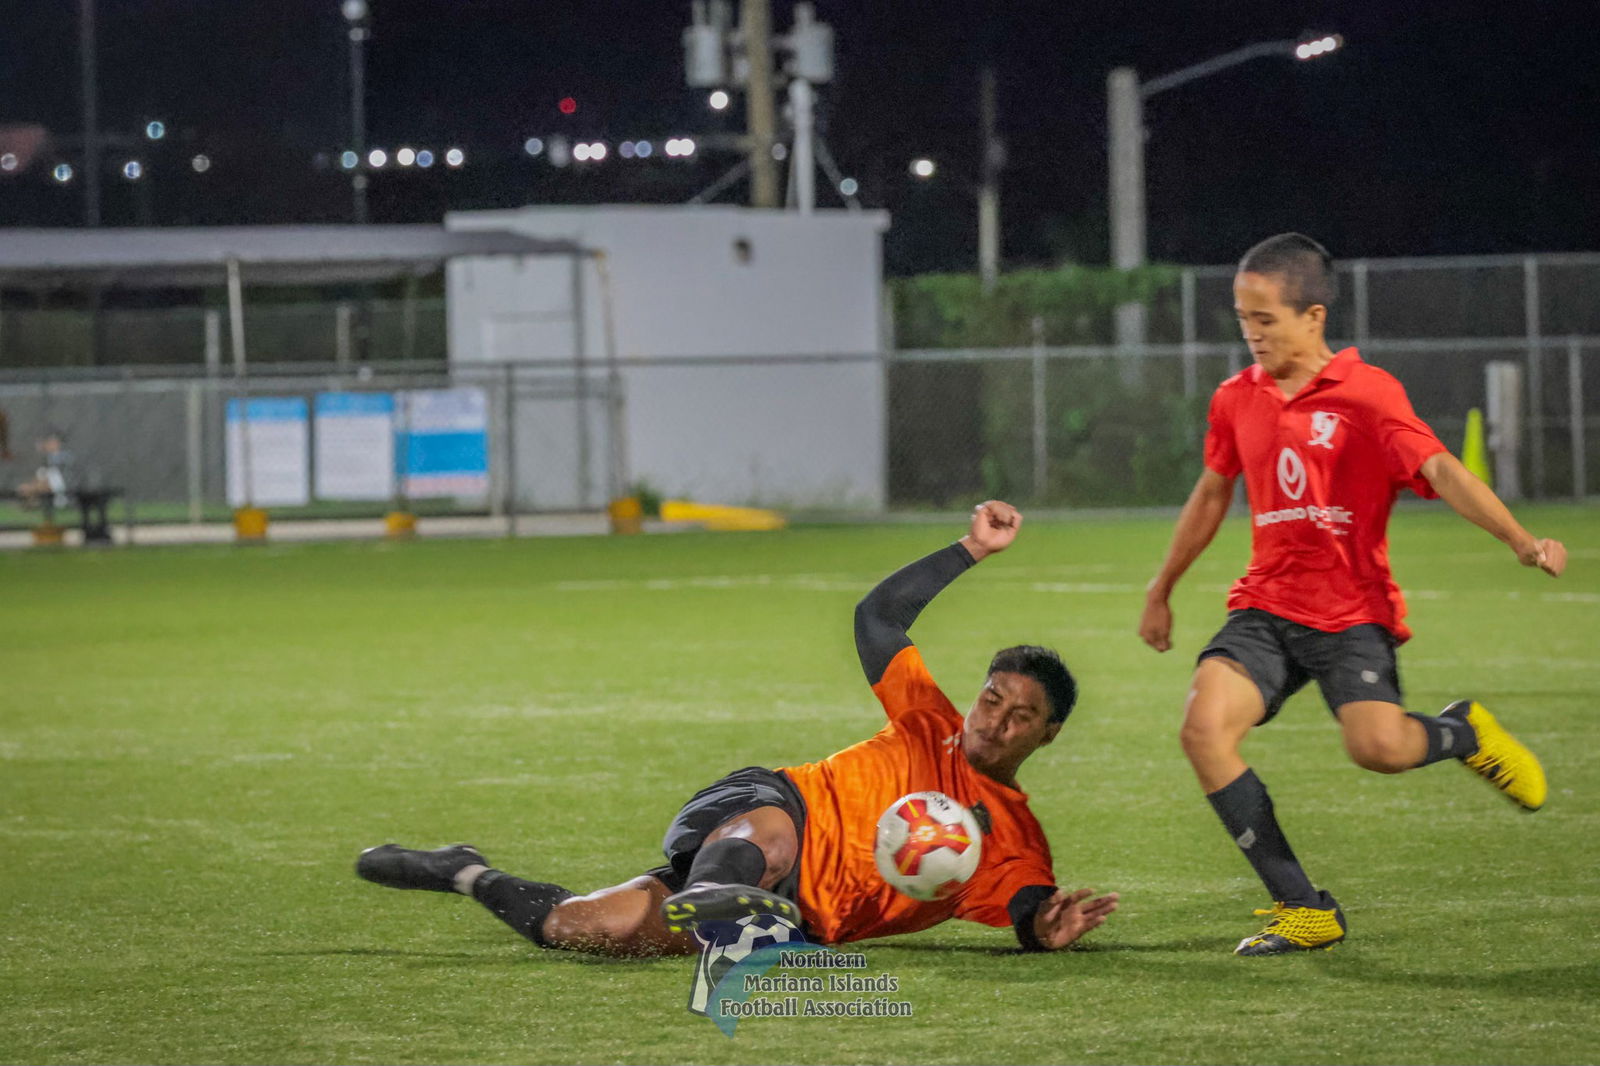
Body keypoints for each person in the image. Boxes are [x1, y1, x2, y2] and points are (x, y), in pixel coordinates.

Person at [357, 500, 1118, 955]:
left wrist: (1040, 930)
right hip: (764, 807)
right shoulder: (928, 721)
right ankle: (722, 901)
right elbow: (877, 616)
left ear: (1046, 737)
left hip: (794, 918)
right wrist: (971, 548)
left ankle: (463, 869)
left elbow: (1025, 905)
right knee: (771, 840)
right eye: (993, 698)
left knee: (583, 929)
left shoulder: (1015, 837)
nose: (998, 721)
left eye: (1023, 717)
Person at [1138, 233, 1567, 957]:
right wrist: (1163, 587)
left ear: (1313, 316)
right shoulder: (1235, 398)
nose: (1251, 333)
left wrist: (1520, 540)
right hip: (1265, 607)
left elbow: (1441, 469)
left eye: (1265, 318)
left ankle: (1464, 734)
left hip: (1350, 613)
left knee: (1379, 749)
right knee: (1203, 729)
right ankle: (1302, 909)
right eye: (1242, 318)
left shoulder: (1369, 393)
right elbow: (1213, 492)